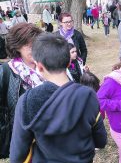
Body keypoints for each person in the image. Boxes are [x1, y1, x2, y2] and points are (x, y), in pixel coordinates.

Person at [9, 33, 107, 162]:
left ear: (39, 66)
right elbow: (100, 140)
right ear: (68, 63)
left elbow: (18, 153)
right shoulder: (88, 95)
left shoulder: (27, 102)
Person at [0, 23, 43, 158]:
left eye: (37, 45)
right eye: (29, 46)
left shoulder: (47, 64)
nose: (35, 49)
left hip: (48, 133)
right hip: (23, 136)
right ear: (17, 47)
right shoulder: (7, 71)